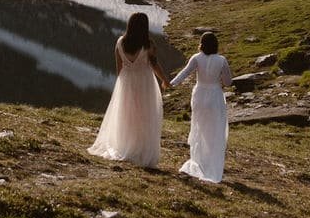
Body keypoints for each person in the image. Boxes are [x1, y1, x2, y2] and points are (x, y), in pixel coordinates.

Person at [89, 11, 167, 167]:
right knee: (145, 115)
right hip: (144, 82)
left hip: (126, 81)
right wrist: (164, 80)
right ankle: (140, 148)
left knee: (126, 114)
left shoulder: (120, 42)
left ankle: (125, 145)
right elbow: (154, 65)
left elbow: (119, 68)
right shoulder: (148, 45)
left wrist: (122, 84)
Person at [169, 30, 231, 183]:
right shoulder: (222, 60)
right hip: (215, 95)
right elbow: (228, 82)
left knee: (199, 127)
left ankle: (199, 160)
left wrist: (171, 83)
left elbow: (184, 73)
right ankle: (212, 162)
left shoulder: (196, 58)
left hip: (200, 95)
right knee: (215, 129)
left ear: (201, 44)